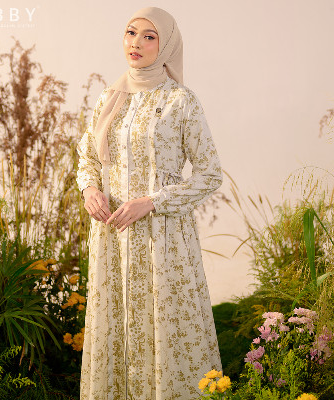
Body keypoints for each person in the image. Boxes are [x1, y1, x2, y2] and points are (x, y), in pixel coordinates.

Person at [76, 6, 223, 399]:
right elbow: (88, 157)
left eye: (149, 36)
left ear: (167, 45)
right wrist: (90, 190)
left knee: (164, 326)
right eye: (131, 32)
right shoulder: (110, 98)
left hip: (163, 239)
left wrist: (154, 201)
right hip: (112, 236)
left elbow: (210, 174)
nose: (136, 43)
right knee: (116, 323)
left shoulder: (180, 101)